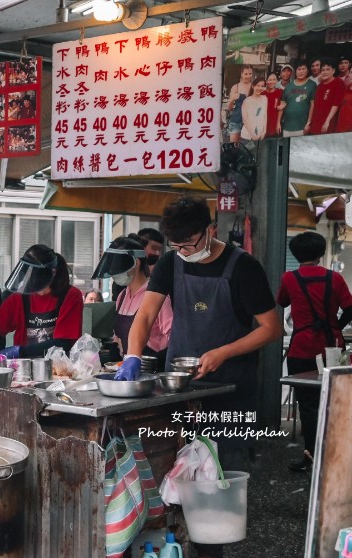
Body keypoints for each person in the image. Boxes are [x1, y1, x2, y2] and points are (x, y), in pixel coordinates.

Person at [114, 197, 282, 558]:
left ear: (211, 230)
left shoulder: (243, 268)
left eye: (189, 243)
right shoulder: (172, 262)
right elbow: (145, 316)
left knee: (215, 495)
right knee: (176, 482)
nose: (183, 251)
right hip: (182, 390)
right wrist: (132, 355)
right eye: (176, 246)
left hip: (230, 394)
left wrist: (224, 352)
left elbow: (271, 328)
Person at [276, 232, 352, 473]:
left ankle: (311, 457)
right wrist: (336, 328)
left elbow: (282, 302)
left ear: (295, 254)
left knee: (308, 405)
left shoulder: (289, 278)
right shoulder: (335, 278)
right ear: (321, 253)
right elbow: (350, 308)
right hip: (332, 348)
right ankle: (337, 456)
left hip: (301, 348)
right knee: (335, 401)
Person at [0, 245, 83, 359]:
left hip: (59, 366)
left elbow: (63, 343)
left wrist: (20, 351)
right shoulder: (20, 296)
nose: (32, 284)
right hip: (23, 366)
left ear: (53, 273)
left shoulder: (71, 295)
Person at [92, 237, 173, 371]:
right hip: (128, 369)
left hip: (152, 371)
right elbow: (118, 337)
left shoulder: (156, 296)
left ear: (136, 263)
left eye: (117, 266)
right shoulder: (122, 296)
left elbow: (173, 337)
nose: (114, 273)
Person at [308, 59, 344, 135]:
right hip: (315, 124)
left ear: (333, 70)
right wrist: (309, 123)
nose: (324, 72)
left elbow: (336, 104)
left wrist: (327, 121)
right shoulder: (319, 86)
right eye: (322, 70)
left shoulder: (338, 82)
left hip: (328, 124)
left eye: (328, 69)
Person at [281, 61, 316, 137]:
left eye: (303, 69)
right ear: (295, 71)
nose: (301, 71)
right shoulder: (289, 86)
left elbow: (312, 105)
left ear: (307, 71)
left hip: (302, 127)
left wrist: (308, 123)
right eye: (299, 69)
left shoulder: (312, 85)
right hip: (287, 126)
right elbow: (282, 104)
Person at [227, 65, 253, 143]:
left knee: (248, 148)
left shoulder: (255, 87)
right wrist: (232, 100)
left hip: (250, 123)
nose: (248, 76)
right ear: (241, 74)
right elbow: (230, 108)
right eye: (245, 74)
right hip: (236, 121)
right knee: (234, 148)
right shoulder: (235, 87)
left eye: (250, 73)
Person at [263, 72, 284, 138]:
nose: (272, 82)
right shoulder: (262, 93)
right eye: (270, 80)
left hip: (275, 123)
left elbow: (281, 108)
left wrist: (278, 123)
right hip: (263, 124)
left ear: (277, 81)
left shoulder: (280, 92)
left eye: (274, 79)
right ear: (266, 81)